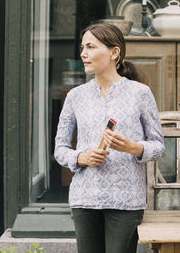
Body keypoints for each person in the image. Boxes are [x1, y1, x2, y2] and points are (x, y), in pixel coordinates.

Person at [54, 22, 165, 253]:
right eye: (82, 47)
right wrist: (82, 158)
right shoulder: (75, 96)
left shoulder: (140, 93)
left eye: (91, 47)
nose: (83, 53)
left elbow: (159, 147)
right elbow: (60, 149)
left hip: (126, 200)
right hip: (85, 198)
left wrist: (133, 147)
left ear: (115, 52)